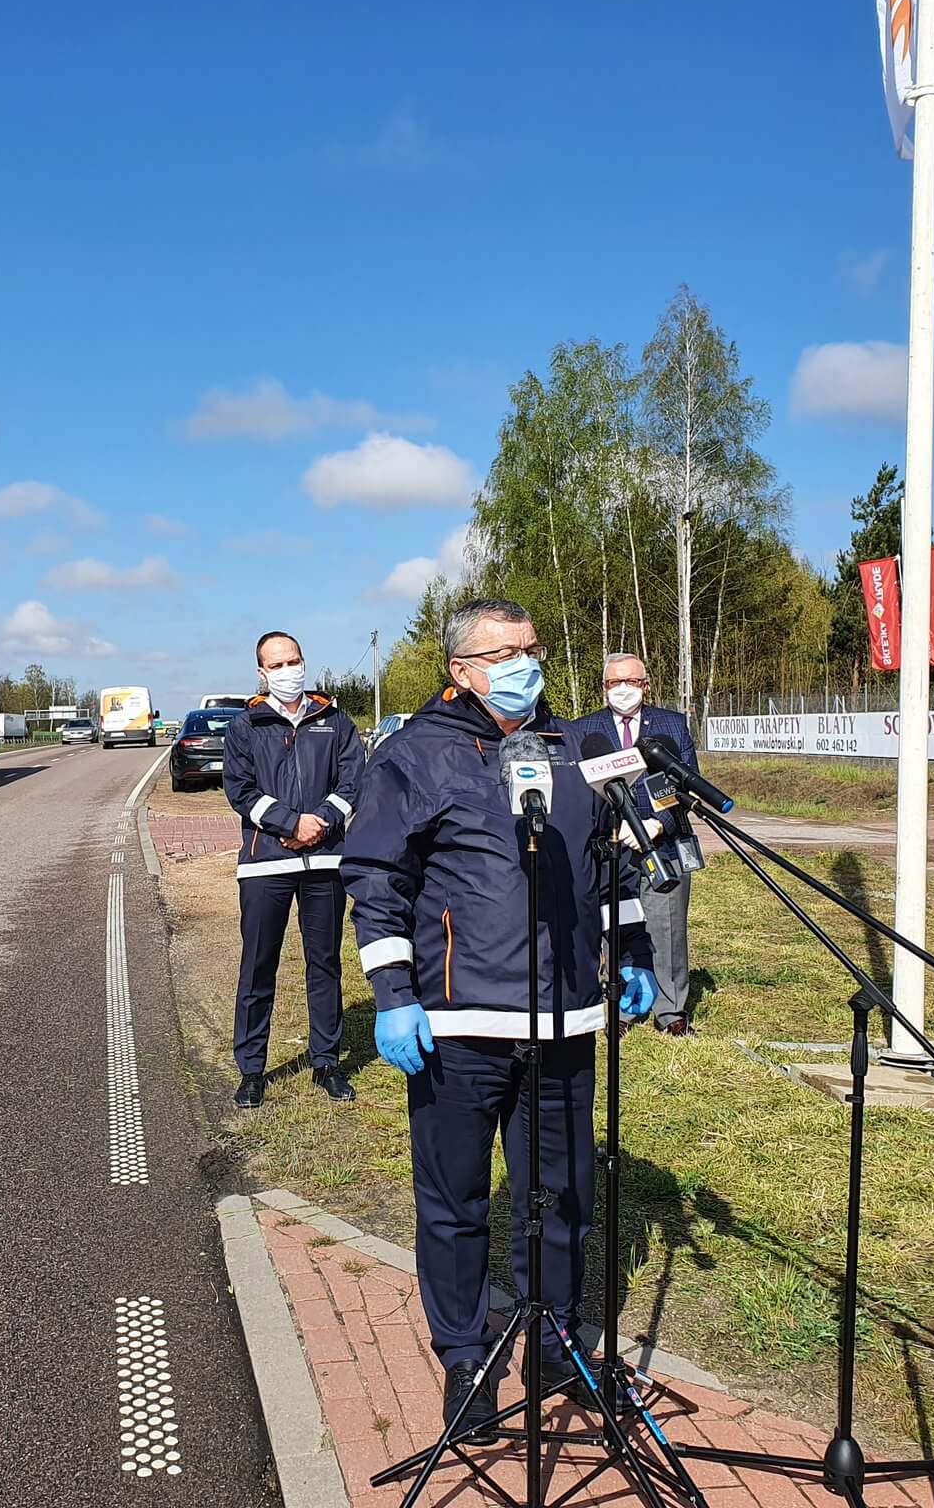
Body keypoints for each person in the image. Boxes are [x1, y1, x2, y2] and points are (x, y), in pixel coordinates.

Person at [341, 598, 661, 1440]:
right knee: (456, 1202)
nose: (526, 663)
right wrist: (393, 993)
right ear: (462, 671)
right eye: (505, 651)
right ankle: (466, 1358)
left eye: (533, 646)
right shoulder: (414, 754)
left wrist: (631, 954)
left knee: (560, 1195)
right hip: (456, 1020)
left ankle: (556, 1340)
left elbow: (610, 864)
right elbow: (376, 877)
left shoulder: (578, 746)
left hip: (563, 1017)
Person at [221, 631, 365, 1109]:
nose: (288, 670)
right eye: (277, 664)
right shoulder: (245, 726)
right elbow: (240, 791)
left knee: (324, 963)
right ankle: (251, 1069)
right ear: (262, 672)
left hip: (325, 861)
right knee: (259, 966)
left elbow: (353, 780)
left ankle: (326, 1060)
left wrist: (318, 823)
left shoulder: (335, 721)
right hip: (266, 864)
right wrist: (288, 822)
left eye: (294, 661)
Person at [567, 652, 706, 1037]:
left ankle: (670, 1011)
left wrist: (657, 824)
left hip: (665, 843)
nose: (623, 689)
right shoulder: (584, 731)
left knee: (668, 929)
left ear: (646, 685)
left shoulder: (671, 726)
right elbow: (580, 794)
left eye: (631, 681)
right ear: (604, 687)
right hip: (612, 848)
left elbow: (684, 784)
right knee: (616, 929)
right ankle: (621, 1007)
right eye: (614, 682)